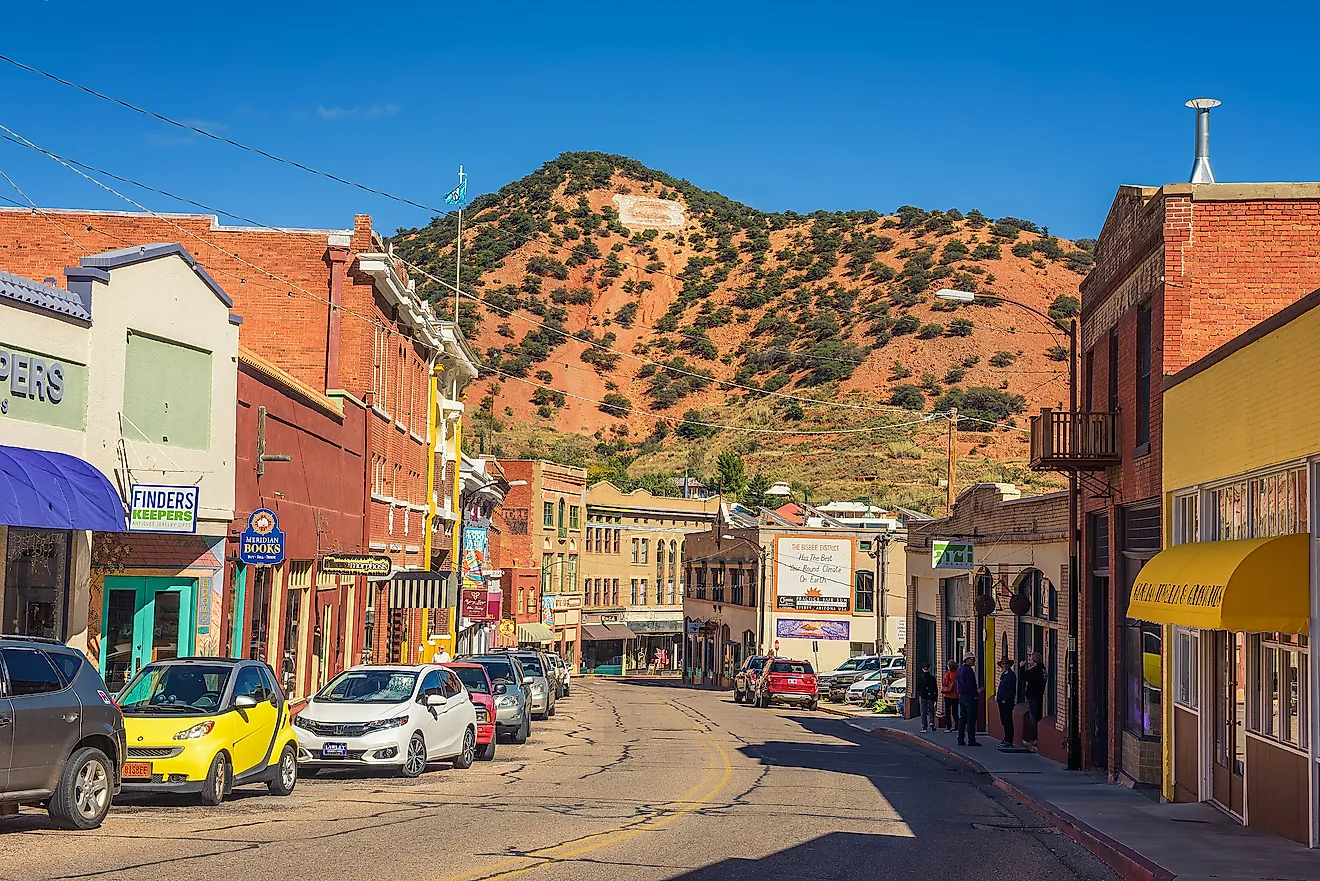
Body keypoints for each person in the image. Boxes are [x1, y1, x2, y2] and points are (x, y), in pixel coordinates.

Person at [1021, 652, 1047, 751]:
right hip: (1039, 696)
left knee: (1034, 719)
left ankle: (1036, 739)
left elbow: (1023, 677)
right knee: (1037, 717)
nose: (1029, 661)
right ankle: (1036, 738)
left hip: (1033, 696)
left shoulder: (1035, 671)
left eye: (1031, 659)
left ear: (1034, 661)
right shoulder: (1043, 670)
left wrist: (1021, 667)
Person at [956, 653, 981, 746]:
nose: (973, 661)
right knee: (971, 719)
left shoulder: (960, 669)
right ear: (967, 660)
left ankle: (960, 739)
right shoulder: (968, 670)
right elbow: (971, 685)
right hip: (969, 697)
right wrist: (975, 694)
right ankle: (971, 739)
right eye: (972, 659)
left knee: (963, 718)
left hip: (962, 696)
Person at [995, 659, 1017, 748]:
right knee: (1003, 720)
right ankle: (1006, 738)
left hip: (1007, 702)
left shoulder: (1011, 675)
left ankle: (1009, 740)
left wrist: (1006, 699)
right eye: (1003, 664)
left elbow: (1011, 689)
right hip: (1001, 701)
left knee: (1008, 721)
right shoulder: (1004, 675)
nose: (1004, 665)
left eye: (1006, 664)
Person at [916, 662, 939, 731]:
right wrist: (936, 697)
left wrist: (919, 693)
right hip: (931, 695)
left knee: (923, 711)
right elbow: (935, 688)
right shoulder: (932, 678)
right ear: (930, 669)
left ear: (922, 669)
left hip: (923, 696)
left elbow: (917, 687)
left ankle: (924, 726)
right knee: (931, 710)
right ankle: (931, 722)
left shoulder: (920, 678)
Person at [941, 660, 959, 732]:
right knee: (955, 712)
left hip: (948, 695)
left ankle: (948, 727)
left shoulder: (948, 674)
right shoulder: (957, 673)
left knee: (948, 712)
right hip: (956, 695)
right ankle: (957, 726)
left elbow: (945, 683)